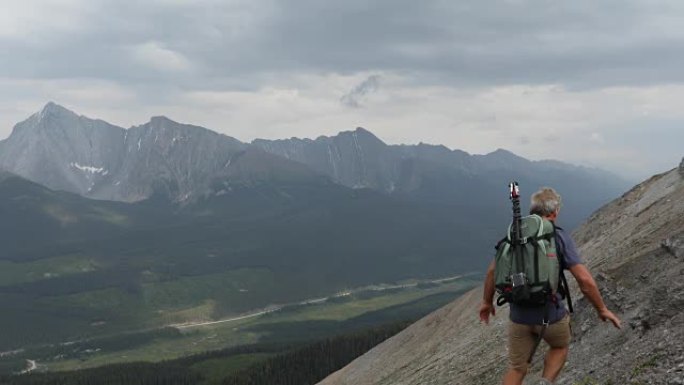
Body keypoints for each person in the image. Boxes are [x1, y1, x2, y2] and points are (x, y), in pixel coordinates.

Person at [478, 187, 621, 385]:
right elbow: (585, 281)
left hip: (519, 316)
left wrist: (486, 302)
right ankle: (545, 382)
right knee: (559, 347)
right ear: (554, 212)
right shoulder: (558, 237)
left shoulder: (514, 236)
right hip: (550, 315)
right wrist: (602, 309)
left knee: (517, 368)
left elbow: (492, 273)